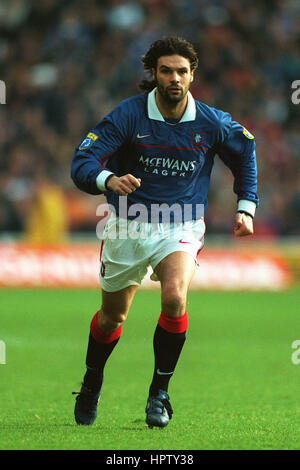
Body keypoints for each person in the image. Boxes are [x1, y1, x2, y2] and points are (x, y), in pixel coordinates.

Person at [71, 36, 259, 428]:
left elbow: (246, 152)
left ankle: (159, 394)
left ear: (192, 76)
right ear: (153, 74)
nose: (175, 78)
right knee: (112, 318)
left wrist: (246, 206)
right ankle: (92, 381)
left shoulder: (211, 122)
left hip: (183, 221)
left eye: (182, 71)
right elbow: (83, 159)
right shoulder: (128, 116)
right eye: (167, 70)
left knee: (175, 298)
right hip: (127, 224)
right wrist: (108, 178)